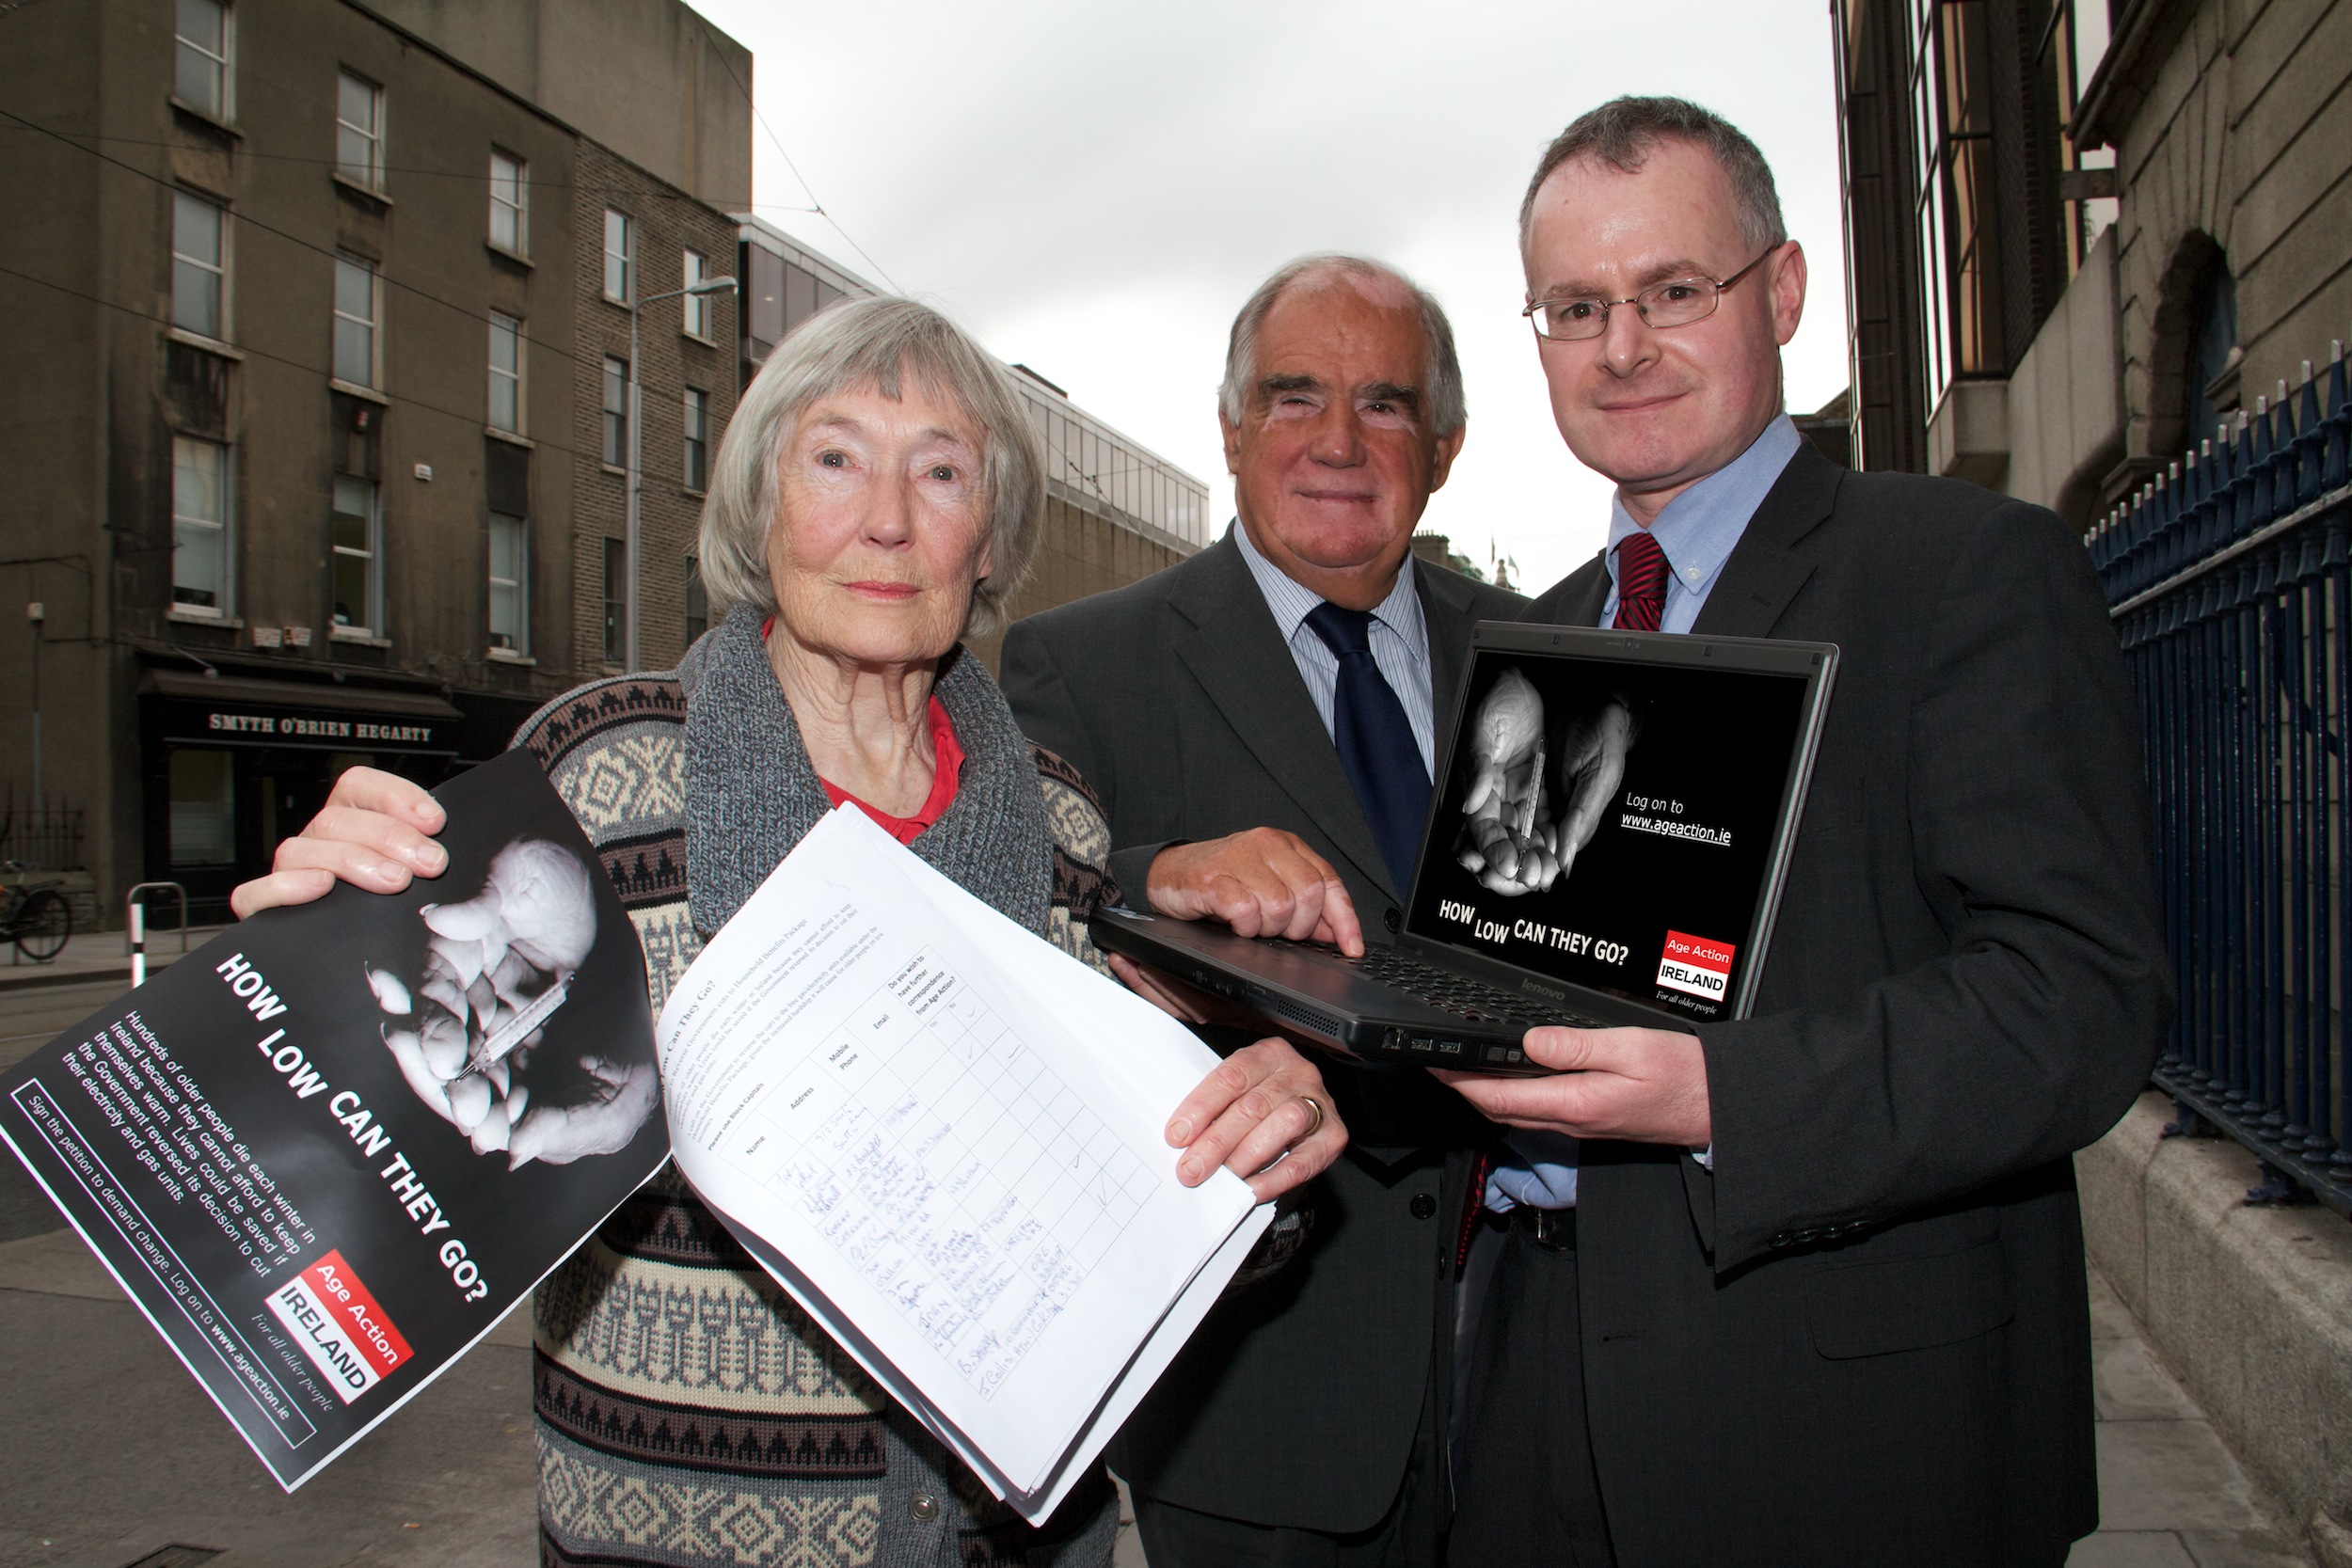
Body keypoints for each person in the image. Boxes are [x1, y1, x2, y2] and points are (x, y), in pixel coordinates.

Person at [230, 296, 1350, 1568]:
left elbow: (1127, 1231)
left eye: (941, 471)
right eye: (836, 458)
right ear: (762, 507)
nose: (888, 519)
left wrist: (1260, 1153)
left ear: (989, 542)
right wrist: (318, 963)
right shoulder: (596, 774)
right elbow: (382, 1149)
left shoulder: (1064, 826)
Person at [1436, 97, 2169, 1567]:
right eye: (1576, 307)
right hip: (1529, 1410)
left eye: (1673, 292)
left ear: (1781, 294)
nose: (1623, 347)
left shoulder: (1964, 571)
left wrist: (1723, 1095)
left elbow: (2078, 1001)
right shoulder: (1538, 637)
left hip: (1839, 1431)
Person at [1001, 255, 1527, 1566]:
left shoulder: (1539, 657)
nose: (1339, 443)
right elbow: (1004, 919)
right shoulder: (1084, 662)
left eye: (1387, 405)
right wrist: (1154, 869)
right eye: (1294, 398)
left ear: (1448, 446)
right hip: (1264, 1408)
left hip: (1536, 1383)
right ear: (1230, 428)